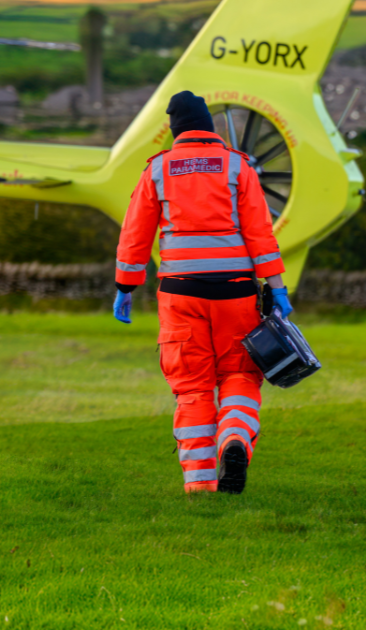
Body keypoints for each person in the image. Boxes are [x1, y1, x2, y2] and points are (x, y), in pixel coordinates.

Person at [113, 91, 292, 495]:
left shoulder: (157, 170)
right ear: (209, 128)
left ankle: (200, 486)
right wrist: (277, 289)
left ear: (175, 130)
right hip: (236, 291)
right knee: (241, 374)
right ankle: (235, 438)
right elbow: (260, 233)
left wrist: (126, 286)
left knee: (193, 386)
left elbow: (135, 234)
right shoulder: (237, 166)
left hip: (181, 292)